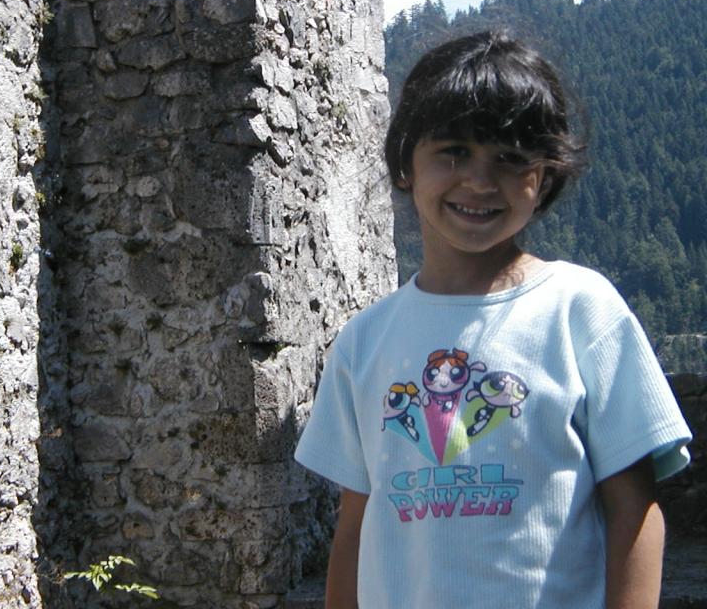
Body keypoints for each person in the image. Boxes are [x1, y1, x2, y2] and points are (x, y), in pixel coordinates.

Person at [294, 31, 692, 609]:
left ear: (546, 178)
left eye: (510, 159)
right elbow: (356, 524)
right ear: (405, 163)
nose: (480, 181)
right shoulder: (363, 342)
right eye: (453, 150)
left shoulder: (582, 310)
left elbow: (634, 508)